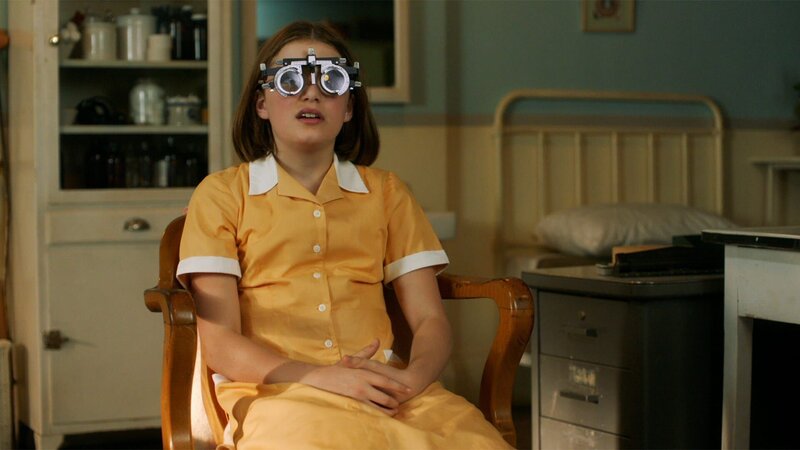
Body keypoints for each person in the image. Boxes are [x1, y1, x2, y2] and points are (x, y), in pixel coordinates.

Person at [177, 21, 512, 449]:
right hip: (279, 393)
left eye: (331, 81)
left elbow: (430, 319)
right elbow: (220, 342)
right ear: (261, 103)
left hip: (386, 386)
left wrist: (411, 380)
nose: (311, 93)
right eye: (290, 79)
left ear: (349, 108)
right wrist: (321, 377)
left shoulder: (387, 193)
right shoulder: (222, 195)